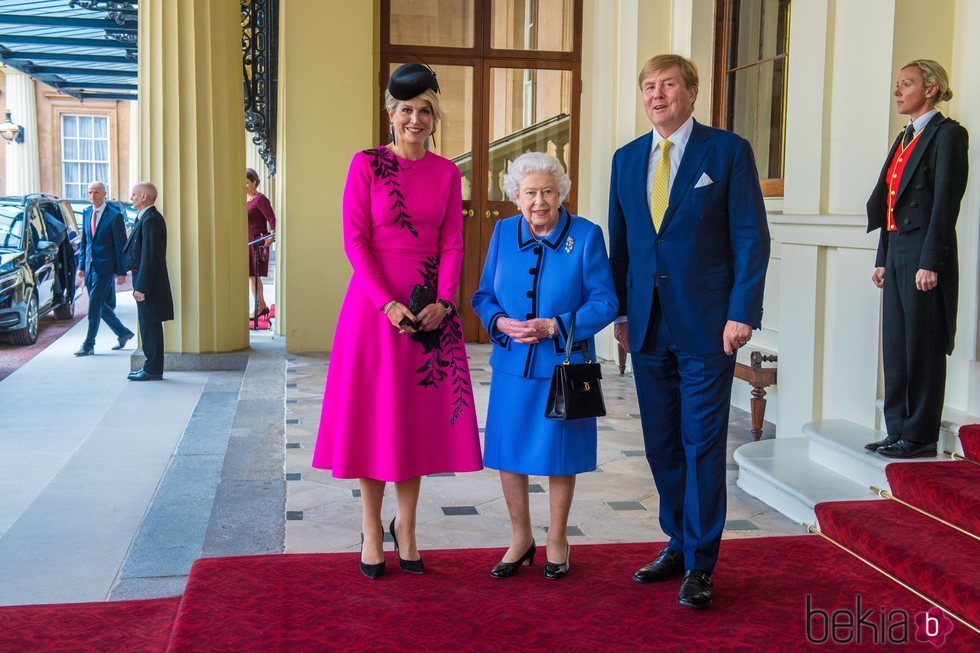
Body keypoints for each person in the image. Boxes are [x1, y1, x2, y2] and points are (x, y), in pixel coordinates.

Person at [608, 54, 770, 608]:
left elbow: (751, 237)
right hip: (648, 327)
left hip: (708, 326)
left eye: (668, 84)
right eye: (648, 86)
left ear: (692, 92)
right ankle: (677, 539)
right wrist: (623, 315)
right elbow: (622, 244)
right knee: (661, 444)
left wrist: (742, 311)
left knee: (702, 444)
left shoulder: (727, 152)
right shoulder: (626, 160)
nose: (657, 95)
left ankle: (701, 563)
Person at [312, 63, 482, 579]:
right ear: (391, 115)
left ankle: (406, 527)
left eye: (424, 111)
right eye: (406, 110)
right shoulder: (366, 165)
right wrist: (386, 303)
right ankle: (370, 529)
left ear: (434, 118)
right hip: (373, 311)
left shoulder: (448, 173)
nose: (415, 119)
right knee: (374, 420)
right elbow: (355, 241)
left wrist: (445, 302)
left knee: (412, 424)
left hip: (431, 314)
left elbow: (453, 243)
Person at [473, 152, 617, 580]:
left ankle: (557, 537)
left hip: (563, 369)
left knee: (560, 456)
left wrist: (556, 325)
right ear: (516, 197)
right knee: (508, 454)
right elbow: (483, 297)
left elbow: (606, 302)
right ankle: (520, 538)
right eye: (530, 193)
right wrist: (499, 321)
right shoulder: (501, 233)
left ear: (561, 194)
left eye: (547, 192)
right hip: (512, 366)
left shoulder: (587, 237)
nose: (539, 201)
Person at [864, 60, 968, 459]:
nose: (898, 91)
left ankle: (921, 435)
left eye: (906, 84)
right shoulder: (905, 136)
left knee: (922, 346)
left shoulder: (948, 135)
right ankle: (897, 430)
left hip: (925, 252)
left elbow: (945, 205)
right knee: (896, 346)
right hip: (897, 252)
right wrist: (882, 258)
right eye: (897, 84)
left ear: (930, 89)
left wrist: (931, 262)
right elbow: (892, 203)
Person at [74, 181, 134, 356]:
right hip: (89, 267)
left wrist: (122, 272)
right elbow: (85, 242)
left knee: (94, 306)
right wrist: (81, 266)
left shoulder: (114, 216)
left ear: (104, 194)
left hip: (106, 268)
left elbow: (120, 246)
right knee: (100, 304)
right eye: (90, 193)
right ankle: (123, 333)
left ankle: (88, 344)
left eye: (96, 192)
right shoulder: (86, 213)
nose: (93, 196)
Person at [123, 182, 174, 381]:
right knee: (147, 325)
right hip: (145, 280)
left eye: (134, 195)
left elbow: (150, 256)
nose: (131, 198)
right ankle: (150, 366)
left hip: (149, 284)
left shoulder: (151, 219)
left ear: (144, 197)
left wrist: (141, 287)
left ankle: (153, 368)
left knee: (150, 326)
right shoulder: (146, 218)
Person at [246, 168, 276, 318]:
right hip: (248, 242)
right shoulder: (246, 200)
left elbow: (271, 218)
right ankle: (261, 305)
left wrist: (271, 236)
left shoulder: (260, 199)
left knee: (254, 275)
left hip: (257, 241)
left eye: (247, 182)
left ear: (255, 182)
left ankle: (259, 307)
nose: (244, 186)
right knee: (251, 275)